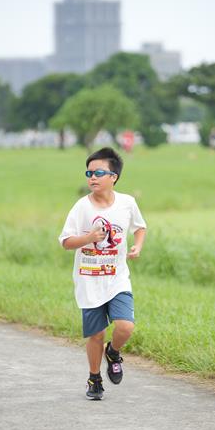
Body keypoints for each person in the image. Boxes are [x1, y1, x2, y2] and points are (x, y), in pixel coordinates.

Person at [59, 147, 146, 400]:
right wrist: (88, 237)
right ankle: (94, 378)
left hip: (117, 278)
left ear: (113, 177)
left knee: (125, 327)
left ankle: (114, 352)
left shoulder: (127, 203)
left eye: (98, 172)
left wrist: (137, 245)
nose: (92, 177)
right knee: (95, 334)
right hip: (89, 280)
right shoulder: (81, 207)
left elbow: (140, 228)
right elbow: (65, 242)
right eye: (89, 172)